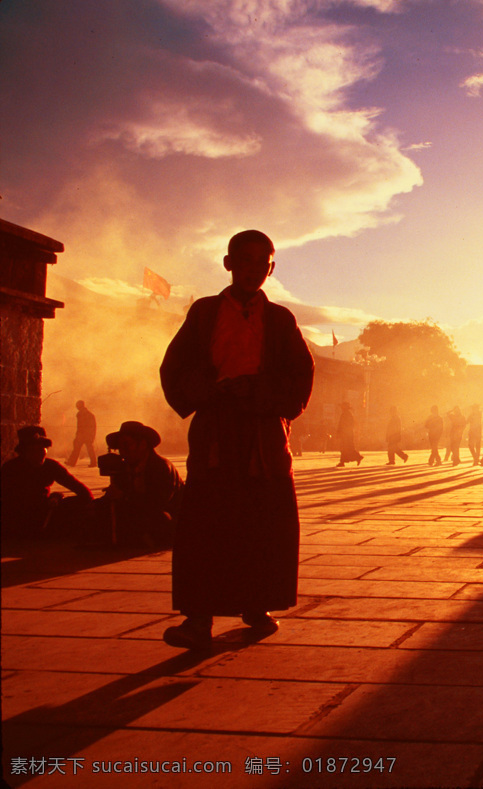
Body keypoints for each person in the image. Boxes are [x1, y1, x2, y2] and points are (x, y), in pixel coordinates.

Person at [159, 229, 314, 650]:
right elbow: (175, 367)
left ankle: (257, 606)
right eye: (243, 261)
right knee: (206, 525)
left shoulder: (280, 320)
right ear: (228, 264)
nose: (252, 271)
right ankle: (198, 619)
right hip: (216, 434)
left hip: (264, 437)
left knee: (263, 524)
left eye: (261, 264)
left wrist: (259, 391)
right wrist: (213, 388)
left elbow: (300, 377)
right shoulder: (205, 313)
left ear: (271, 269)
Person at [94, 421, 183, 548]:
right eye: (120, 447)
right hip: (138, 511)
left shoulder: (160, 467)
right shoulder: (126, 467)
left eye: (127, 445)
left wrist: (123, 496)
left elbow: (157, 503)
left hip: (168, 516)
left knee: (158, 519)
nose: (123, 451)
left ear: (142, 444)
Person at [1, 425, 94, 539]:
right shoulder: (10, 469)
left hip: (45, 511)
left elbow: (82, 491)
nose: (39, 454)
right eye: (33, 450)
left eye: (42, 449)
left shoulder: (51, 466)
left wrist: (56, 497)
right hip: (17, 515)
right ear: (23, 452)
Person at [66, 400, 98, 467]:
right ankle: (93, 463)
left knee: (77, 449)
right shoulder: (89, 414)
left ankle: (72, 462)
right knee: (89, 449)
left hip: (83, 435)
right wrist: (92, 435)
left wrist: (78, 435)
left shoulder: (81, 414)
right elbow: (93, 426)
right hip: (87, 435)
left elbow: (80, 426)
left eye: (77, 405)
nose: (76, 407)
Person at [336, 402, 363, 467]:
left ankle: (357, 457)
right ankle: (344, 461)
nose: (341, 407)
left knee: (346, 447)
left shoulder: (347, 414)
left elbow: (346, 425)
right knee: (346, 447)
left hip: (346, 434)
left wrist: (343, 432)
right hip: (346, 433)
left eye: (342, 406)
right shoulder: (346, 413)